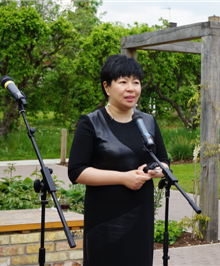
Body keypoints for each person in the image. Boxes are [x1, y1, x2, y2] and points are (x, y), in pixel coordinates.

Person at [68, 55, 169, 266]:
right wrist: (123, 178)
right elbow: (76, 171)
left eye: (136, 82)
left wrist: (156, 171)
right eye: (123, 82)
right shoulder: (91, 122)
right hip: (105, 217)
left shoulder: (148, 121)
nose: (131, 88)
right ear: (107, 87)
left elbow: (164, 162)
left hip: (141, 214)